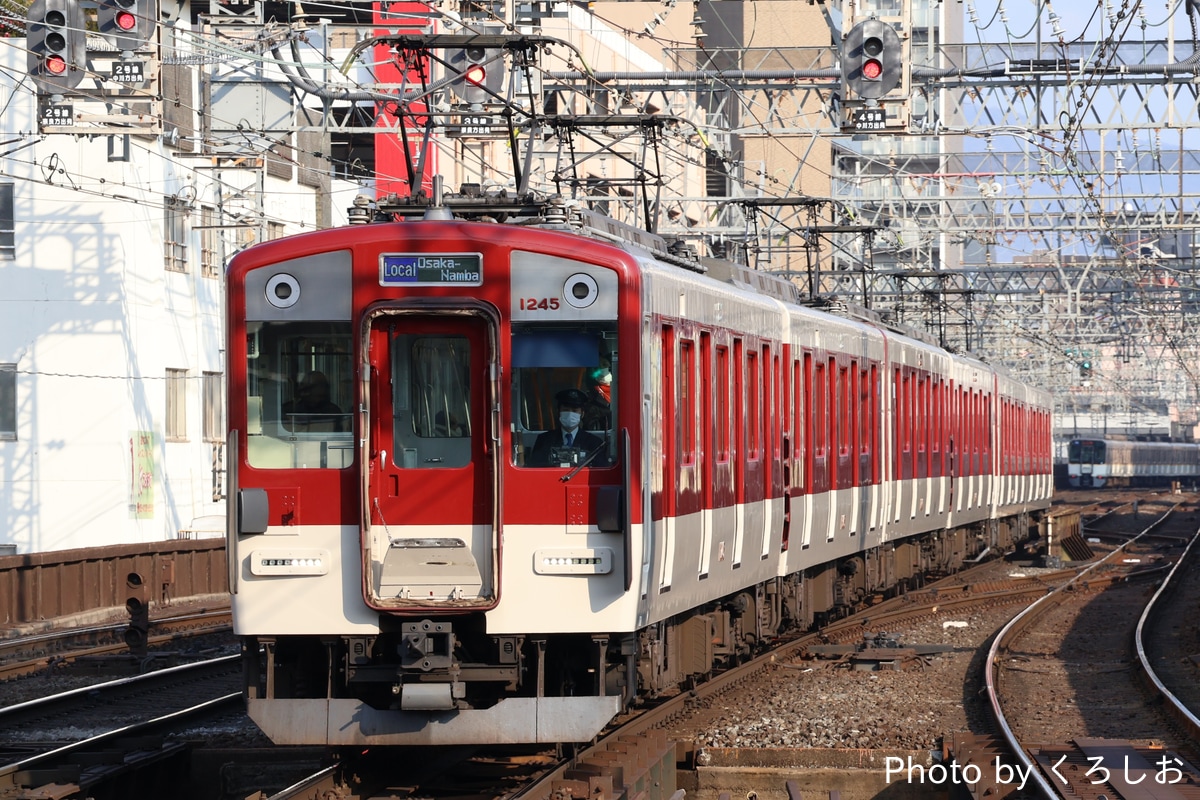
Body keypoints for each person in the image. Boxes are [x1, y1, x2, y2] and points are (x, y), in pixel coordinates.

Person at [528, 388, 606, 467]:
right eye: (566, 410)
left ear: (582, 414)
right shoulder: (544, 440)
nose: (570, 414)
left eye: (574, 411)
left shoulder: (594, 443)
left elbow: (599, 472)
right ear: (559, 412)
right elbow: (536, 468)